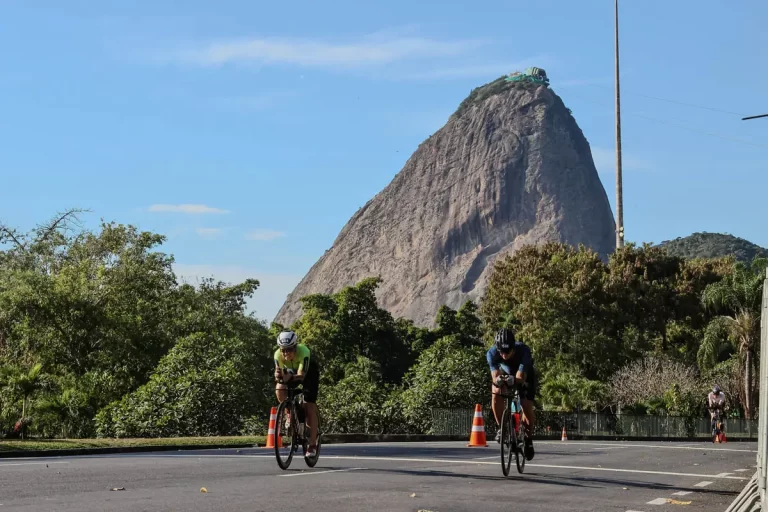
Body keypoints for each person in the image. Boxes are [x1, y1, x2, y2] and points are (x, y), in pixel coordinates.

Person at [487, 327, 536, 460]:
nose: (504, 355)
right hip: (506, 373)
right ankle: (502, 428)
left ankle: (528, 439)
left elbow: (521, 377)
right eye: (501, 352)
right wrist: (499, 381)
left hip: (525, 376)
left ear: (513, 347)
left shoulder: (523, 351)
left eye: (507, 351)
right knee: (496, 391)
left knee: (526, 404)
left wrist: (514, 380)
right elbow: (495, 376)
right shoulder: (492, 353)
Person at [274, 330, 320, 458]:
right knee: (280, 388)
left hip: (308, 373)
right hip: (292, 371)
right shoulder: (277, 355)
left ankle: (312, 445)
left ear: (295, 347)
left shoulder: (303, 352)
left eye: (289, 350)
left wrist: (288, 377)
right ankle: (290, 412)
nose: (285, 353)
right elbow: (278, 376)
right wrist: (279, 377)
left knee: (309, 405)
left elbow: (301, 376)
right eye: (283, 350)